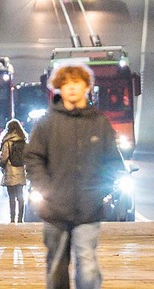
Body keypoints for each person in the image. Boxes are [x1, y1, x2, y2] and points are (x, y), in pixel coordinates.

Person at [27, 61, 126, 289]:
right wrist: (46, 189)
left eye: (76, 82)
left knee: (88, 264)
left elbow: (112, 162)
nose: (71, 88)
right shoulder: (46, 123)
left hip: (89, 210)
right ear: (58, 88)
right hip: (54, 210)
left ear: (87, 86)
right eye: (66, 83)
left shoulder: (99, 123)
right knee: (56, 267)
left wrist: (101, 191)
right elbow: (33, 158)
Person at [0, 119, 31, 223]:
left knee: (11, 197)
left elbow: (4, 157)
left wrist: (1, 164)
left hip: (10, 171)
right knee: (20, 196)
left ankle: (12, 219)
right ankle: (20, 219)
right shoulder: (23, 141)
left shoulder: (7, 141)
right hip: (21, 171)